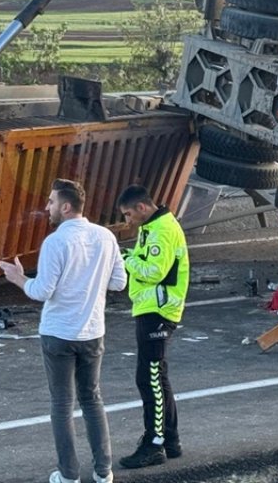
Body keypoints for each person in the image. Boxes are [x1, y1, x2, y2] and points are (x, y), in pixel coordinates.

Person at [0, 179, 126, 483]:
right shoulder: (106, 237)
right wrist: (91, 280)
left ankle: (68, 474)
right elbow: (119, 282)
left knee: (61, 405)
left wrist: (18, 278)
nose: (47, 207)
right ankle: (103, 471)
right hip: (93, 331)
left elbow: (42, 291)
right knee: (93, 399)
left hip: (58, 333)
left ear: (66, 207)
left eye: (51, 202)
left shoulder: (56, 242)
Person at [114, 185, 189, 469]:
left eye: (128, 214)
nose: (127, 221)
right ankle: (170, 439)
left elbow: (153, 271)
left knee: (150, 378)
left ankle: (154, 444)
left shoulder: (162, 231)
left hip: (159, 309)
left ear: (142, 207)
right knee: (157, 376)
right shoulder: (152, 226)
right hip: (152, 308)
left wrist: (125, 258)